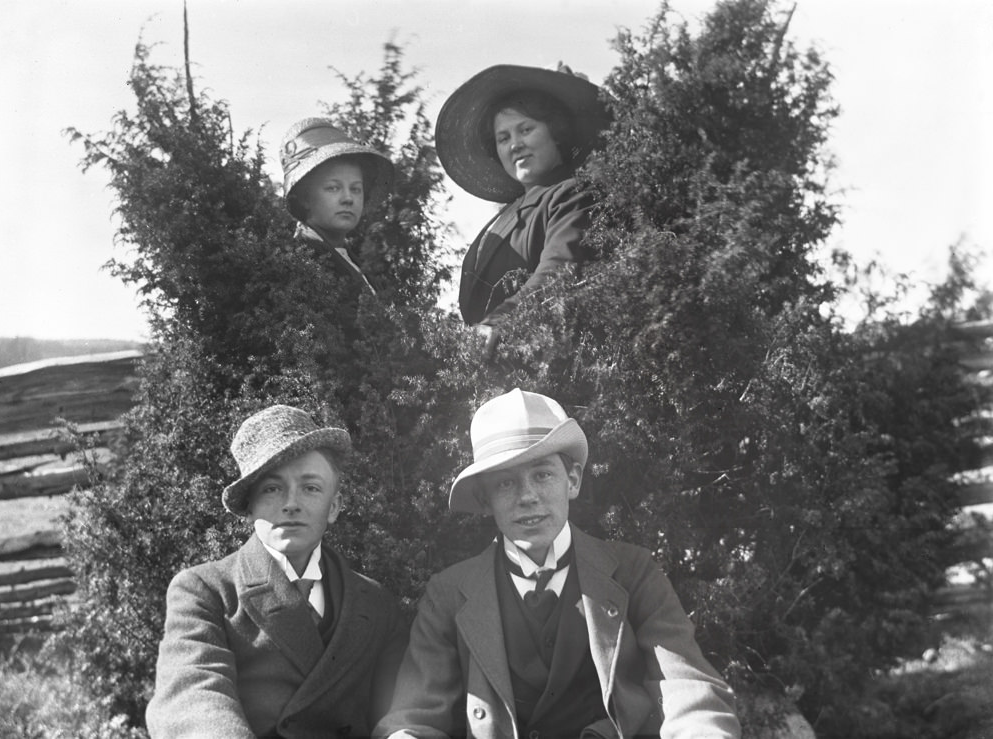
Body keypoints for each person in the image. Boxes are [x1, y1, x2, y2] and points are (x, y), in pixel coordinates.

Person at [374, 389, 741, 739]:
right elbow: (414, 717)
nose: (528, 497)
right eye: (505, 484)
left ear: (573, 480)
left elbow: (687, 686)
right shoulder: (449, 595)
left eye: (543, 474)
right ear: (485, 501)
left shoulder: (633, 572)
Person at [147, 404, 408, 739]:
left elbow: (400, 711)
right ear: (248, 508)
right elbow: (192, 699)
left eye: (311, 487)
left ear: (334, 506)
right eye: (272, 488)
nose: (291, 503)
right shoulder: (205, 591)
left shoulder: (374, 603)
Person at [435, 64, 611, 339]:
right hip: (491, 366)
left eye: (526, 130)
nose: (514, 144)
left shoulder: (574, 196)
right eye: (503, 138)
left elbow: (558, 274)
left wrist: (497, 325)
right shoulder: (506, 216)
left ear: (557, 133)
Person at [281, 118, 395, 295]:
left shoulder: (351, 261)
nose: (348, 199)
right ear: (304, 198)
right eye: (333, 188)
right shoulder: (300, 263)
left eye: (356, 189)